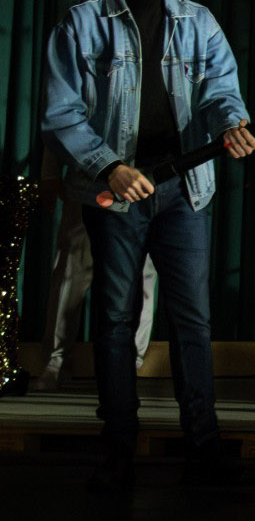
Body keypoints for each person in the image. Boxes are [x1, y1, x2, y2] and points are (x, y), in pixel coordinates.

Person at [40, 0, 255, 490]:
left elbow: (222, 91)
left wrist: (231, 124)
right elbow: (60, 114)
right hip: (118, 193)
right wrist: (109, 166)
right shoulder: (82, 22)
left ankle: (203, 446)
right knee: (115, 319)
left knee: (192, 321)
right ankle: (117, 449)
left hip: (184, 190)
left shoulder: (198, 19)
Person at [33, 148, 156, 389]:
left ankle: (130, 362)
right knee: (71, 272)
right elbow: (64, 124)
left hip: (147, 182)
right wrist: (50, 173)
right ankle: (57, 361)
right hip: (91, 182)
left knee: (142, 275)